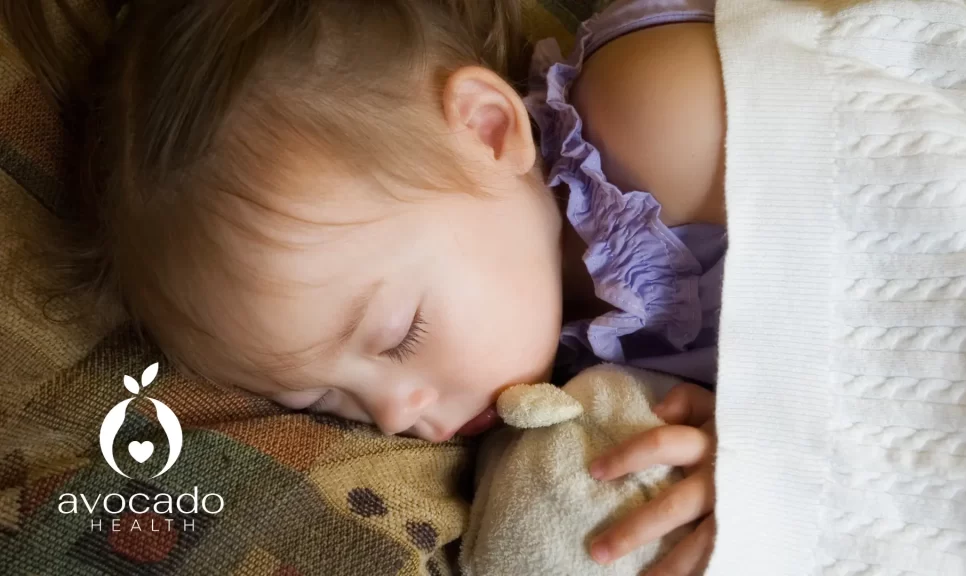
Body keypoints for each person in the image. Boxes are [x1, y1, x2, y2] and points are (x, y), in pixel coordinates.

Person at [9, 0, 725, 573]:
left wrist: (769, 449)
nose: (391, 415)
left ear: (486, 132)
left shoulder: (654, 115)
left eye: (399, 333)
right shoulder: (554, 376)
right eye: (323, 400)